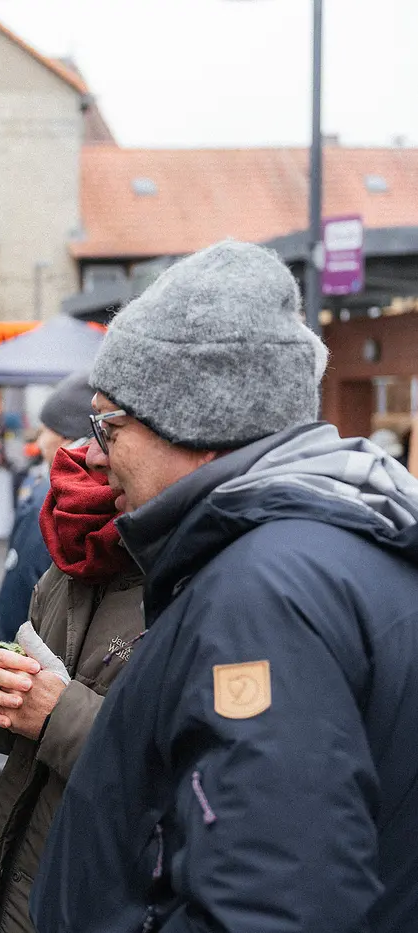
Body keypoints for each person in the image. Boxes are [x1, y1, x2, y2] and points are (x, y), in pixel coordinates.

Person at [31, 240, 418, 933]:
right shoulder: (327, 549)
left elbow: (273, 905)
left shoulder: (262, 591)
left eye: (109, 423)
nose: (90, 451)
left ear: (198, 419)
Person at [0, 434, 142, 933]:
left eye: (111, 423)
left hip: (90, 894)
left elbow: (186, 766)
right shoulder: (74, 545)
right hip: (16, 875)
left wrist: (56, 715)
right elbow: (32, 665)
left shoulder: (197, 575)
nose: (87, 451)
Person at [0, 372, 95, 643]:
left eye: (45, 430)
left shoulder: (51, 498)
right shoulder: (87, 487)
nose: (38, 441)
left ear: (64, 435)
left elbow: (23, 585)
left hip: (31, 645)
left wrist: (2, 647)